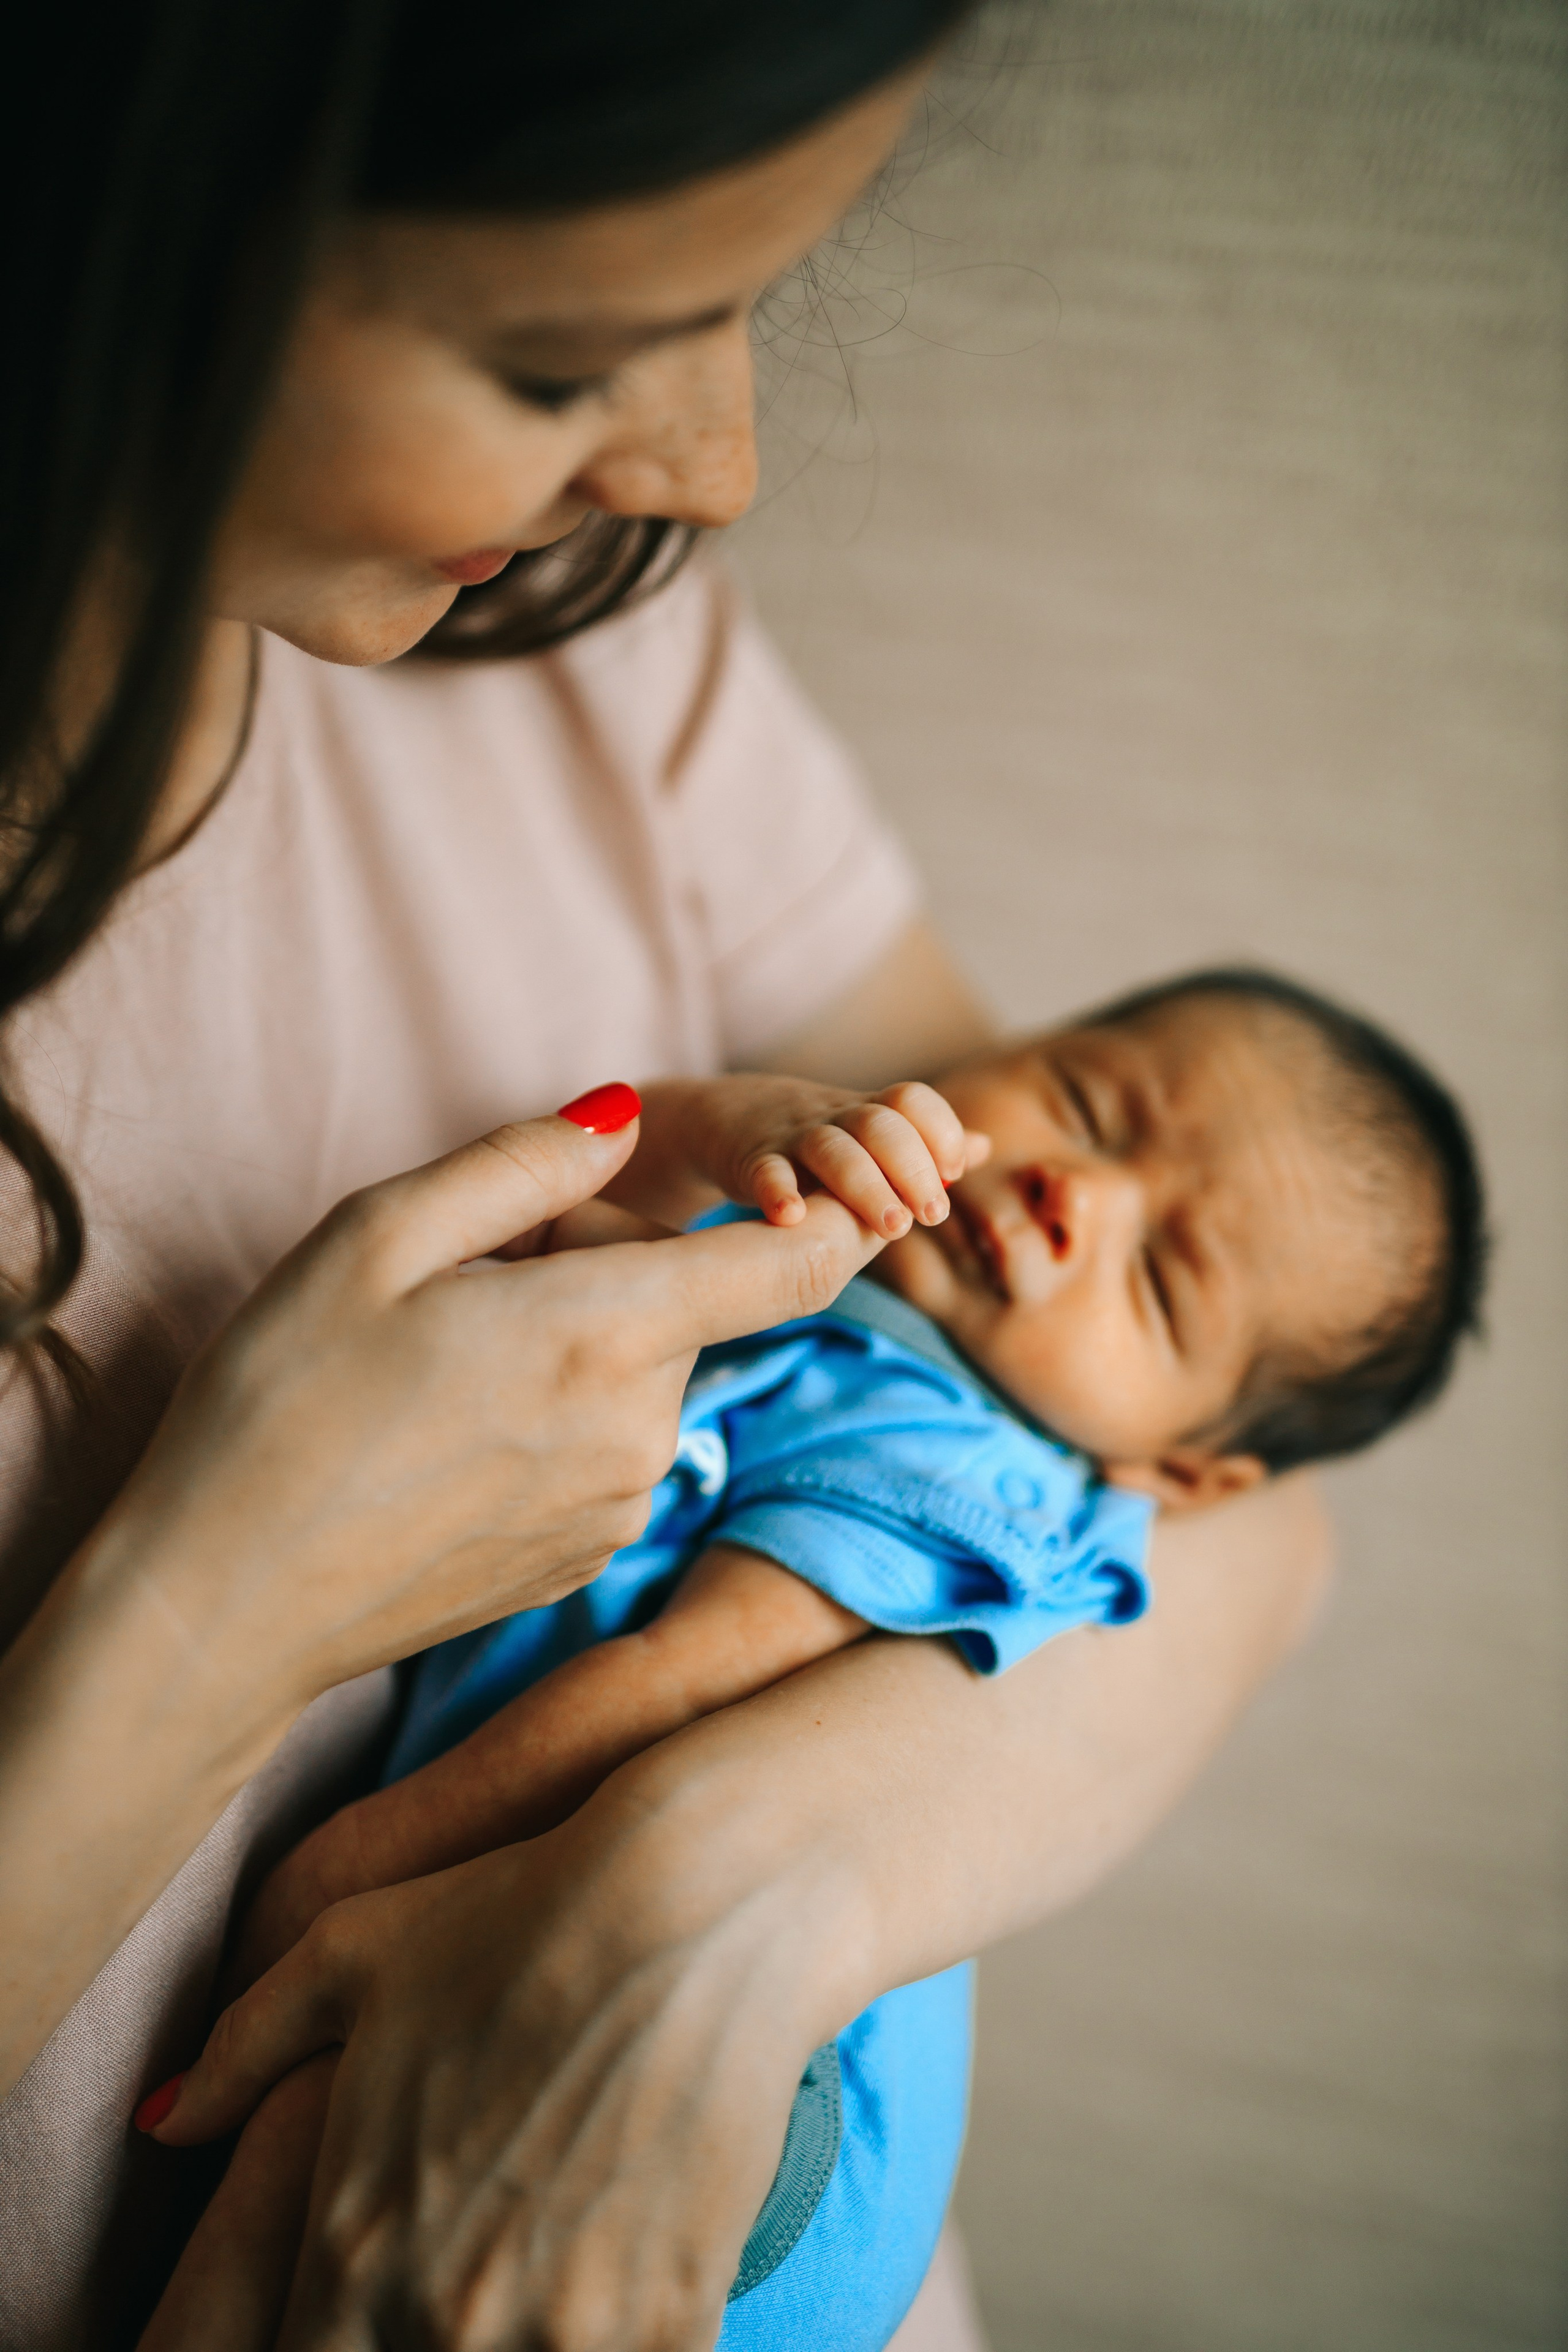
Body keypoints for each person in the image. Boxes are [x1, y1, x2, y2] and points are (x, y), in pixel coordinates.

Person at [0, 7, 1335, 2348]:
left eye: (749, 299)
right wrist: (219, 1605)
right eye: (561, 356)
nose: (717, 467)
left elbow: (1263, 1524)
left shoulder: (572, 649)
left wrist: (702, 1897)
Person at [135, 967, 1485, 2350]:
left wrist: (338, 1875)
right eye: (1086, 1103)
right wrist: (734, 1124)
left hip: (773, 2133)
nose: (1073, 1193)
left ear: (1183, 1470)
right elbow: (577, 1182)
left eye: (1158, 1278)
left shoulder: (952, 1455)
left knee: (324, 2128)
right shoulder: (823, 1275)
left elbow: (662, 1692)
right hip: (672, 2035)